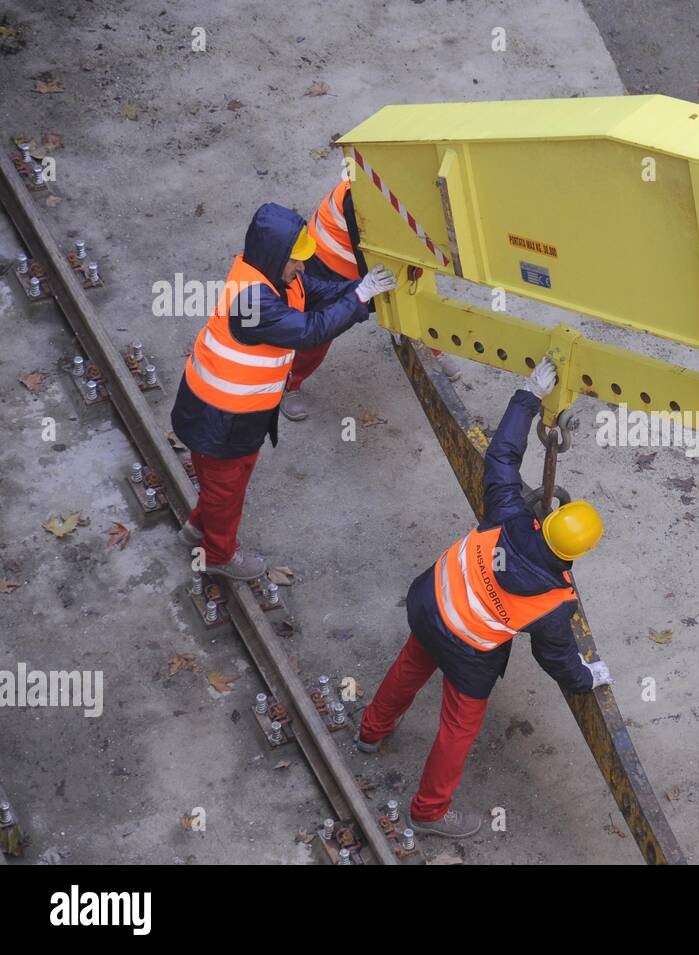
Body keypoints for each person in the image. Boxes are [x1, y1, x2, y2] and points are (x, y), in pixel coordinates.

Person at [356, 358, 611, 838]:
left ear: (549, 520)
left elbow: (502, 457)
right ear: (580, 553)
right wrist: (587, 678)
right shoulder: (554, 600)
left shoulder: (507, 514)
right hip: (467, 649)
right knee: (457, 730)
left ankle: (370, 731)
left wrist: (528, 395)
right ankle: (428, 813)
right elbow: (556, 657)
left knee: (409, 667)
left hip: (432, 604)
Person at [170, 202, 397, 580]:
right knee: (227, 493)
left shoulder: (276, 276)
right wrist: (359, 298)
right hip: (218, 421)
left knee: (224, 485)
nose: (302, 267)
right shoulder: (253, 304)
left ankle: (196, 528)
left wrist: (361, 290)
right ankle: (218, 554)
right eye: (296, 260)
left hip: (234, 418)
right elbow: (311, 331)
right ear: (275, 257)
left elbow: (319, 289)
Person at [282, 179, 459, 421]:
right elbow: (369, 263)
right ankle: (290, 383)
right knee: (321, 331)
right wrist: (393, 315)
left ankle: (432, 350)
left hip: (372, 257)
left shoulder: (411, 186)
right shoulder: (359, 199)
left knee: (419, 298)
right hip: (328, 264)